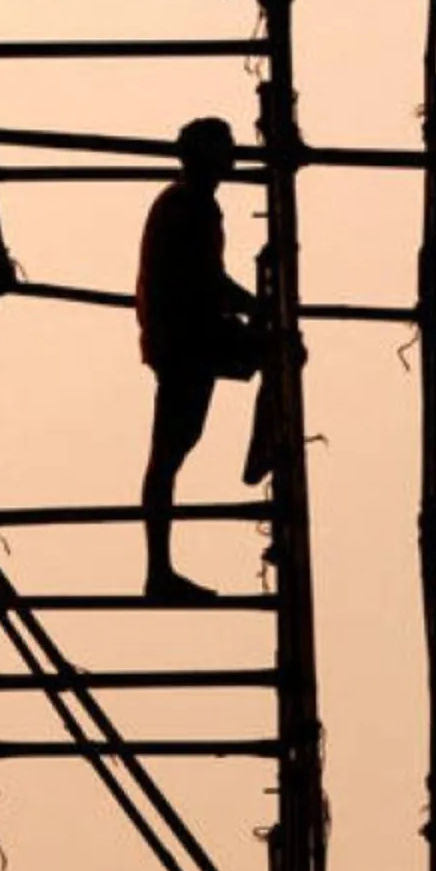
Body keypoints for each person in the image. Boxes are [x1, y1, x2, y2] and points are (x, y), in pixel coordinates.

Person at [136, 116, 261, 601]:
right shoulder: (189, 205)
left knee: (171, 452)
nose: (232, 158)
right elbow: (205, 282)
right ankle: (159, 572)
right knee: (167, 456)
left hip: (187, 339)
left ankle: (159, 571)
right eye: (224, 149)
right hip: (187, 341)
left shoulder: (189, 203)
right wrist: (253, 307)